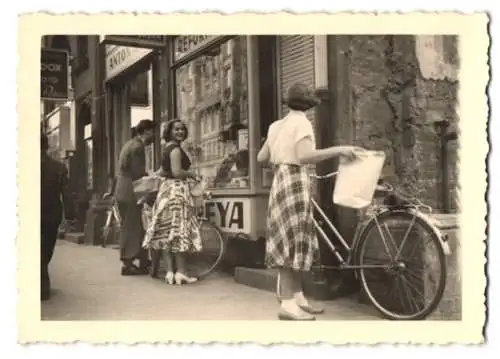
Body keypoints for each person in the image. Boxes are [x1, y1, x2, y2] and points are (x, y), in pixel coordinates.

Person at [257, 83, 362, 321]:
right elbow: (305, 156)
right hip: (294, 179)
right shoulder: (302, 122)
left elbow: (261, 157)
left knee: (288, 238)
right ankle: (287, 304)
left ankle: (297, 298)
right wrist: (339, 150)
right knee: (293, 240)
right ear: (309, 104)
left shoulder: (276, 125)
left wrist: (280, 156)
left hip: (280, 180)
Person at [143, 119, 202, 285]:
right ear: (169, 131)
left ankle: (169, 272)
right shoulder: (176, 149)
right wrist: (192, 175)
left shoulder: (166, 148)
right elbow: (176, 172)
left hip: (166, 192)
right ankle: (181, 272)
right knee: (180, 231)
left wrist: (152, 176)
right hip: (177, 191)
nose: (180, 132)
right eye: (176, 129)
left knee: (167, 232)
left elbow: (163, 171)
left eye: (182, 129)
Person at [115, 119, 156, 275]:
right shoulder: (138, 147)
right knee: (132, 227)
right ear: (146, 131)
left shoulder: (130, 144)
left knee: (131, 226)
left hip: (122, 189)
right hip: (130, 191)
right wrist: (151, 178)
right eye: (152, 131)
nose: (153, 135)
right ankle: (128, 263)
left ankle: (137, 259)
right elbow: (137, 172)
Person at [40, 132, 76, 301]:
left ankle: (39, 283)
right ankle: (42, 284)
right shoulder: (58, 168)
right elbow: (66, 193)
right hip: (50, 214)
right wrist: (70, 215)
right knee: (46, 249)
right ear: (47, 146)